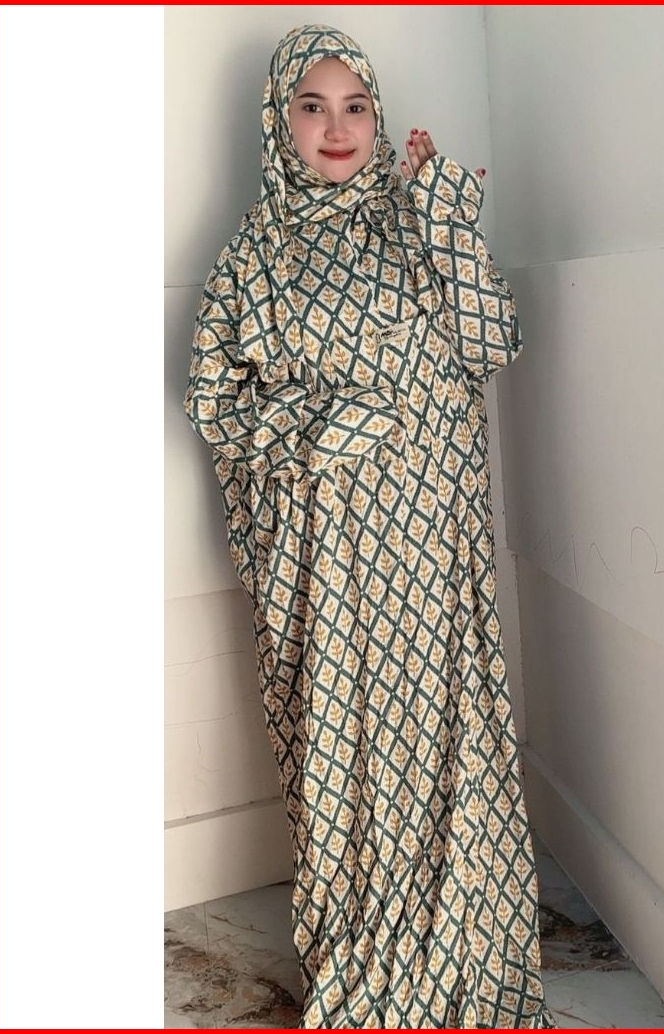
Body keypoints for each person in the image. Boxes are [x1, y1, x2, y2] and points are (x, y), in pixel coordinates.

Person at [184, 23, 555, 1030]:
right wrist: (323, 423)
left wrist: (444, 217)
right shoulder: (251, 258)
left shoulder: (413, 221)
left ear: (379, 118)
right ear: (280, 121)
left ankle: (466, 954)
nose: (336, 127)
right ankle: (368, 956)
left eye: (355, 106)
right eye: (312, 107)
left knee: (448, 740)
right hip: (330, 564)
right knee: (340, 745)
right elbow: (214, 402)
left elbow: (492, 341)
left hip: (430, 544)